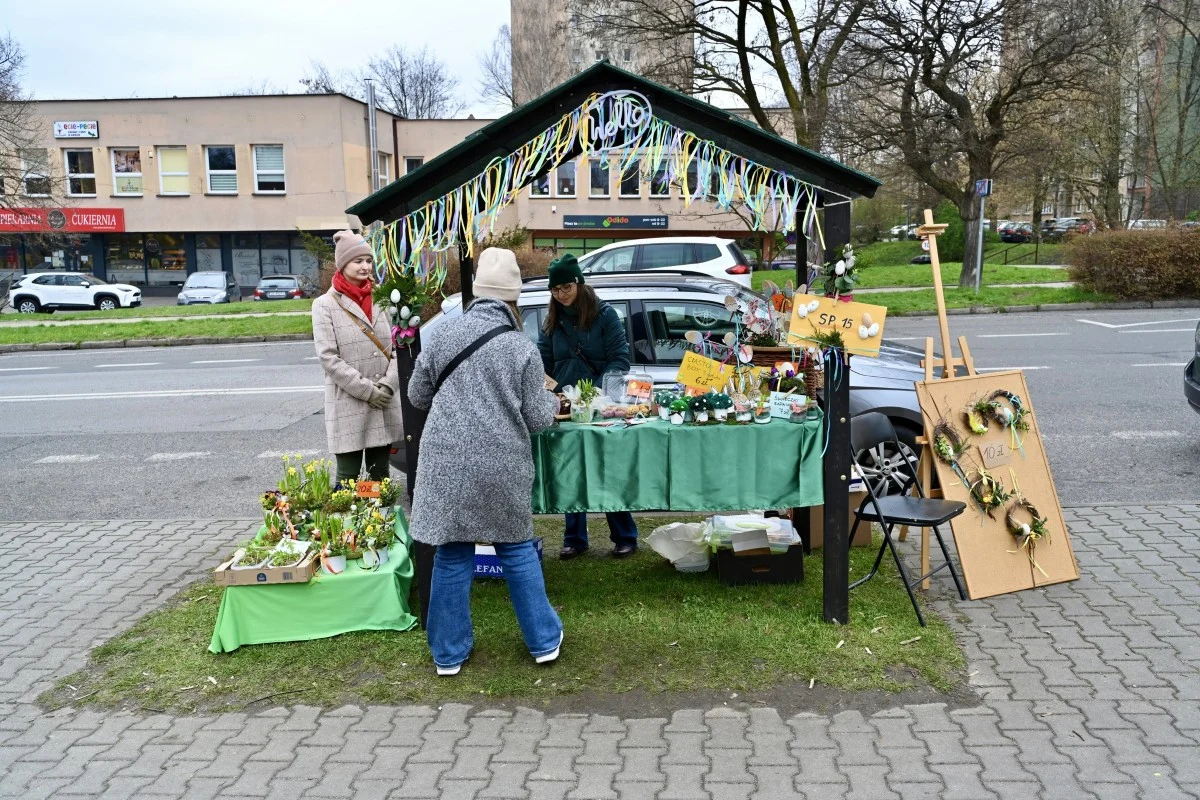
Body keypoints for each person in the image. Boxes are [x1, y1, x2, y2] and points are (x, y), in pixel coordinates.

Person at [408, 248, 562, 676]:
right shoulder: (521, 349)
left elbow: (418, 396)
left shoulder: (440, 336)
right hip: (501, 463)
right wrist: (552, 400)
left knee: (452, 555)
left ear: (476, 292)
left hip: (445, 464)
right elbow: (535, 418)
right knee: (515, 551)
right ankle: (544, 642)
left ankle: (448, 654)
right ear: (513, 299)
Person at [537, 253, 639, 560]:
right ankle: (575, 538)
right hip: (566, 407)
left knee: (607, 469)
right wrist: (554, 391)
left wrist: (596, 393)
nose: (561, 294)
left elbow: (620, 358)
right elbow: (542, 361)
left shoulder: (605, 315)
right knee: (570, 469)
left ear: (579, 283)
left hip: (601, 404)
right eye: (555, 290)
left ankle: (625, 535)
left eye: (566, 287)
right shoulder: (552, 320)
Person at [311, 230, 402, 484]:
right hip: (349, 403)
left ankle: (376, 522)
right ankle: (351, 523)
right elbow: (328, 357)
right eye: (358, 261)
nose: (365, 266)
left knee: (378, 478)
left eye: (369, 261)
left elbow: (398, 346)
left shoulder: (382, 298)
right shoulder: (324, 305)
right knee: (348, 481)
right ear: (343, 264)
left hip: (383, 402)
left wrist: (387, 384)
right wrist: (368, 391)